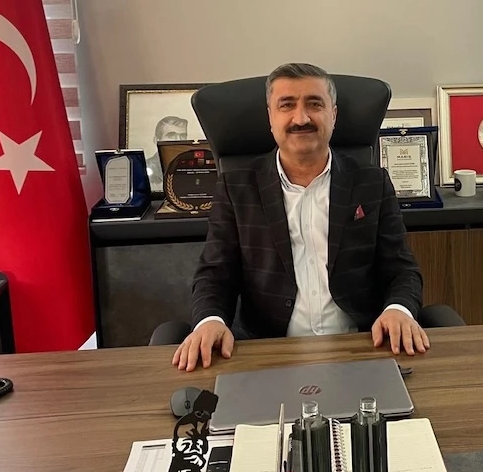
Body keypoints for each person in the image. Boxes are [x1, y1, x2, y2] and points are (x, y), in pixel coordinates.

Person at [171, 63, 429, 372]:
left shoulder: (371, 182)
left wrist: (398, 309)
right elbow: (215, 273)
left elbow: (401, 269)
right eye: (287, 105)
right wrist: (210, 320)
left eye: (314, 104)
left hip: (361, 347)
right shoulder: (237, 188)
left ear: (333, 115)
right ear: (270, 117)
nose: (301, 118)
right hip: (268, 354)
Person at [168, 389, 218, 472]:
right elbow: (191, 457)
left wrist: (202, 438)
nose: (209, 417)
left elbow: (202, 451)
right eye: (208, 413)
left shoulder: (200, 427)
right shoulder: (185, 426)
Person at [145, 115, 189, 191]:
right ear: (156, 140)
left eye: (182, 136)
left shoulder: (190, 165)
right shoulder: (146, 167)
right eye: (171, 135)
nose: (178, 140)